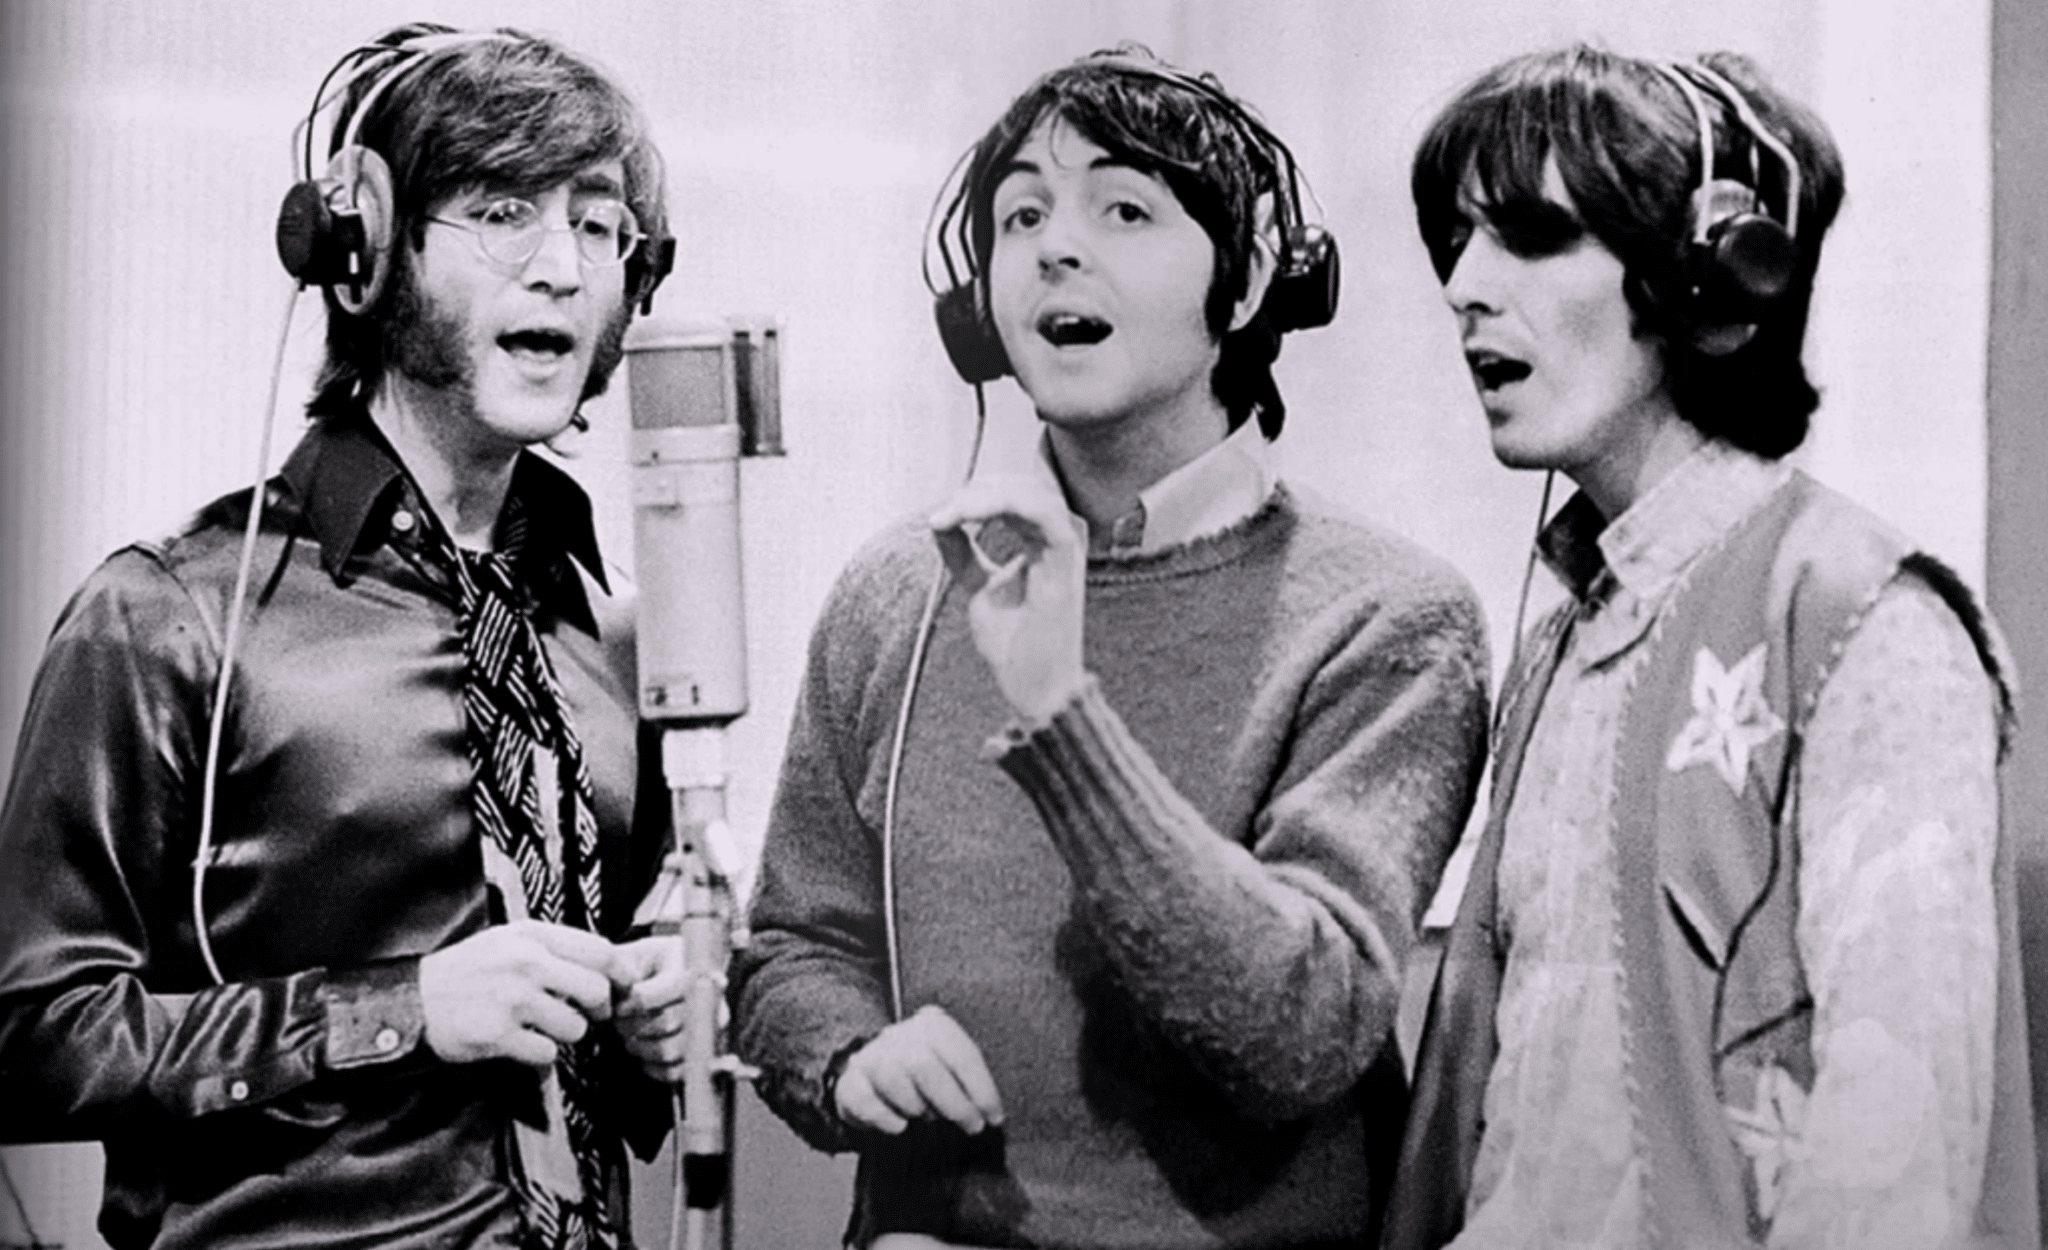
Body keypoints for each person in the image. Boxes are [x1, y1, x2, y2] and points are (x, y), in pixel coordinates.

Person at [731, 47, 1490, 1249]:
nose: (1055, 248)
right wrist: (849, 1055)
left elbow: (1296, 1032)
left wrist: (1061, 714)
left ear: (1247, 281)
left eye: (1123, 209)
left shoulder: (1389, 616)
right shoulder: (897, 592)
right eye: (1021, 215)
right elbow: (792, 945)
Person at [0, 24, 691, 1250]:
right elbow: (29, 1040)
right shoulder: (171, 611)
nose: (560, 266)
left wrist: (653, 1016)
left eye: (596, 225)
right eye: (502, 211)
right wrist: (400, 1007)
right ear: (366, 249)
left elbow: (627, 969)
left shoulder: (619, 623)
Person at [1388, 44, 2039, 1250]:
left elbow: (1892, 1170)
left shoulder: (1864, 623)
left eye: (1529, 236)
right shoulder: (1557, 642)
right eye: (1457, 241)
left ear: (1705, 277)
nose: (1463, 285)